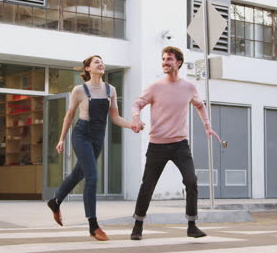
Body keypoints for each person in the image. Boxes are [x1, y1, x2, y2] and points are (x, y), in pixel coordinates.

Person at [130, 46, 221, 240]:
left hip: (180, 145)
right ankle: (138, 225)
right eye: (163, 59)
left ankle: (192, 225)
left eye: (169, 59)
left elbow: (200, 105)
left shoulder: (189, 87)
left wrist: (207, 126)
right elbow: (136, 103)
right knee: (148, 185)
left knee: (191, 181)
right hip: (157, 145)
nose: (165, 62)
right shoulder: (155, 87)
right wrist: (136, 118)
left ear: (178, 63)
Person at [47, 55, 135, 241]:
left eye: (102, 61)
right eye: (96, 62)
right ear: (87, 68)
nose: (101, 63)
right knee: (92, 177)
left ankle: (55, 202)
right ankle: (93, 225)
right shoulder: (79, 90)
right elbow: (69, 116)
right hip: (81, 134)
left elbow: (115, 117)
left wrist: (131, 125)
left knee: (78, 174)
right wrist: (62, 139)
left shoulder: (111, 89)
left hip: (98, 137)